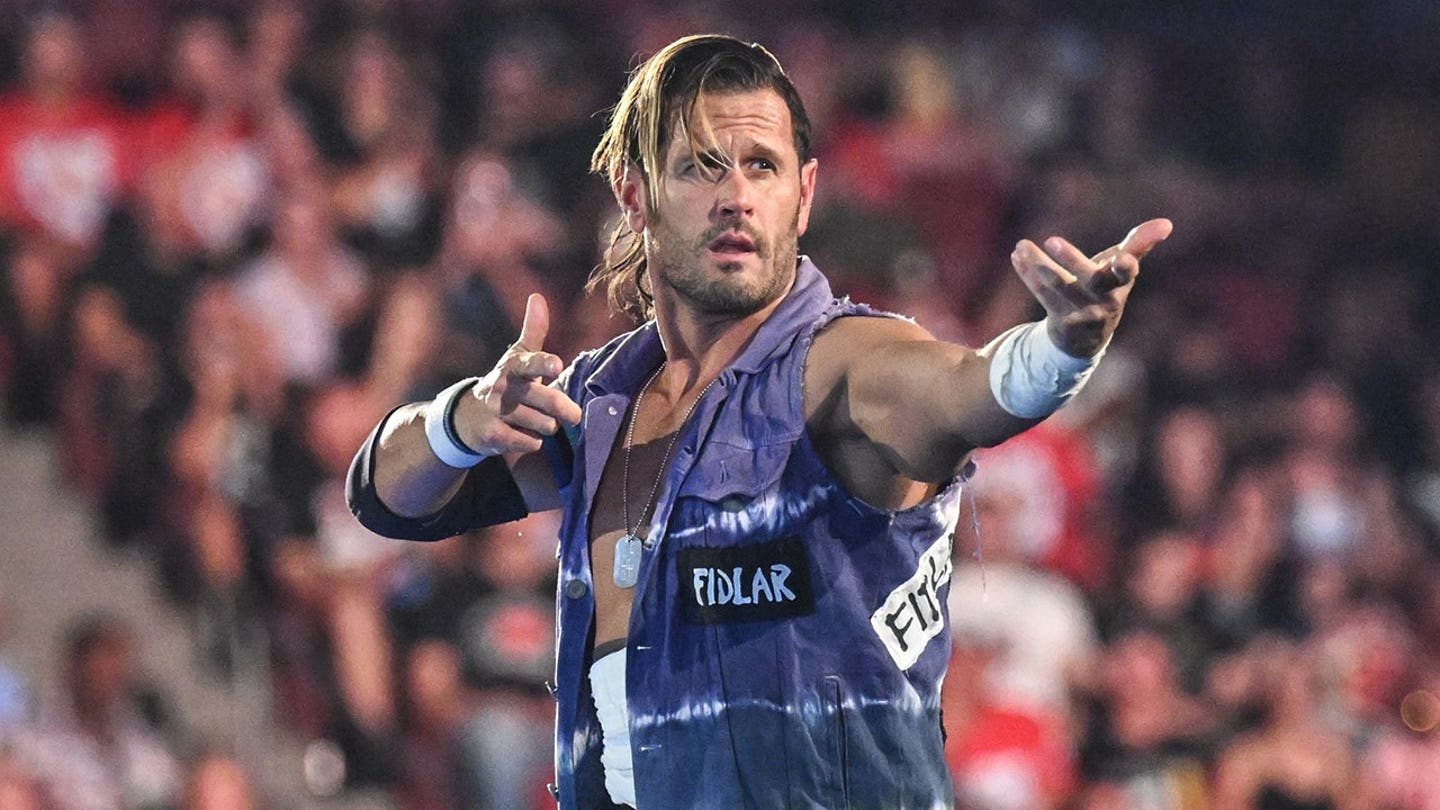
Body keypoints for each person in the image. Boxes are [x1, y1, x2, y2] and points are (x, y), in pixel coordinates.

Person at [348, 34, 1170, 809]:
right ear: (636, 196)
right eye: (701, 167)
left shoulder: (844, 366)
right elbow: (385, 496)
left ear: (803, 196)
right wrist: (463, 419)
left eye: (762, 166)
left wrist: (1060, 348)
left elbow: (966, 389)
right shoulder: (599, 404)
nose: (737, 197)